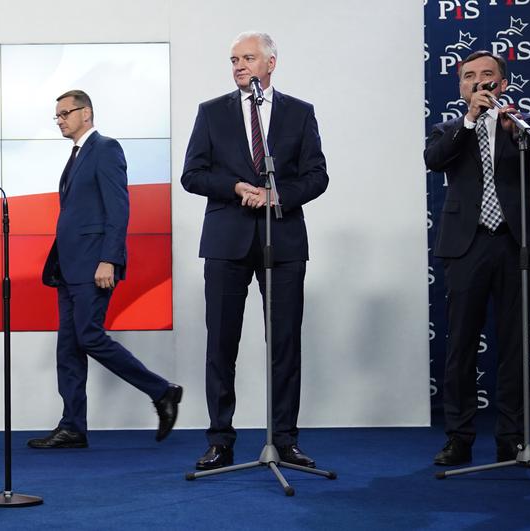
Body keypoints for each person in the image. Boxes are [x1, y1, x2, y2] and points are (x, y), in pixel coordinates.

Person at [181, 32, 328, 470]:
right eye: (234, 60)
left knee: (284, 344)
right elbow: (192, 174)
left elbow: (317, 175)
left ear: (270, 63)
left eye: (247, 58)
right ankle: (220, 440)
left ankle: (284, 440)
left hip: (282, 240)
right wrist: (234, 187)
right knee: (221, 344)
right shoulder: (211, 112)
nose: (239, 66)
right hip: (225, 241)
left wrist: (277, 195)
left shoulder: (300, 112)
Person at [27, 90, 182, 449]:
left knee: (89, 337)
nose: (60, 120)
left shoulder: (106, 149)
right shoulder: (77, 155)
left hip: (94, 264)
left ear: (87, 113)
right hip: (69, 267)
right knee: (68, 348)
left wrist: (109, 259)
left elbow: (118, 207)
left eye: (65, 113)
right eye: (57, 115)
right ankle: (73, 427)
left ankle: (162, 391)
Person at [424, 50, 530, 466]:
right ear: (461, 87)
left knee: (514, 344)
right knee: (462, 345)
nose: (477, 81)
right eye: (468, 76)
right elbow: (434, 160)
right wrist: (471, 119)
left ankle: (512, 437)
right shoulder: (448, 129)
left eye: (486, 74)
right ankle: (459, 437)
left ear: (502, 83)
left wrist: (517, 129)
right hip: (466, 245)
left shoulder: (521, 127)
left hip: (514, 244)